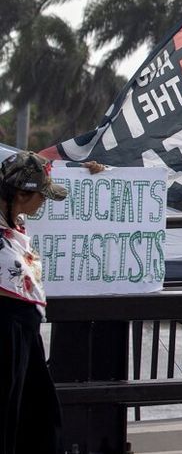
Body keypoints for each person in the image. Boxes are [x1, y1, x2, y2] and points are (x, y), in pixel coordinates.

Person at [0, 151, 69, 454]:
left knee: (40, 417)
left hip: (24, 328)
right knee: (6, 417)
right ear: (20, 193)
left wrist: (94, 167)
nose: (43, 202)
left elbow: (46, 154)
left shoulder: (15, 220)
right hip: (5, 327)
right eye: (40, 195)